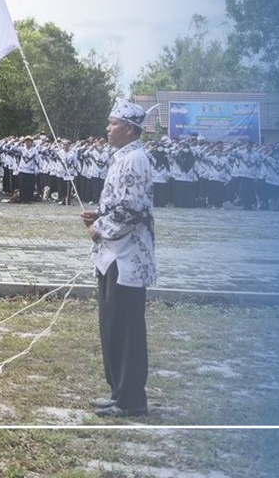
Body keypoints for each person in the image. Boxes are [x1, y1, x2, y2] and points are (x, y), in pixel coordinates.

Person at [80, 99, 155, 418]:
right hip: (113, 255)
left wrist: (98, 227)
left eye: (112, 124)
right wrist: (99, 215)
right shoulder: (123, 157)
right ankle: (118, 391)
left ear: (128, 128)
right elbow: (120, 204)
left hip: (127, 256)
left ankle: (131, 400)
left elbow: (133, 211)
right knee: (112, 324)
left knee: (126, 327)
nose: (107, 129)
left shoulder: (135, 159)